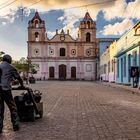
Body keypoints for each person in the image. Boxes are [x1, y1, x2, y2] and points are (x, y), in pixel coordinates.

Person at [0, 54, 25, 133]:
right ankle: (15, 125)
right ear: (9, 60)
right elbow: (19, 78)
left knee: (0, 109)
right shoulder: (11, 67)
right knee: (13, 107)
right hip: (6, 89)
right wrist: (22, 85)